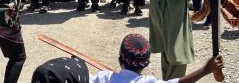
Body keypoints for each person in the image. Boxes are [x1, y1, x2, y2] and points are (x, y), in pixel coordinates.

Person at [90, 34, 224, 83]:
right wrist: (206, 69)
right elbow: (179, 82)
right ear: (146, 64)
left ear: (120, 60)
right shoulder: (148, 81)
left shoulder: (104, 77)